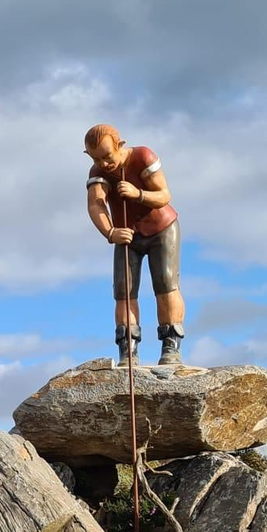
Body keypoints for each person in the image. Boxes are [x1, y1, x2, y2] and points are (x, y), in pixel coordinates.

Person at [83, 123, 185, 366]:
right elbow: (96, 204)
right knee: (124, 292)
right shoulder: (97, 172)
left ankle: (170, 343)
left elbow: (164, 195)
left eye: (107, 156)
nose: (104, 163)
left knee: (165, 283)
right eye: (96, 159)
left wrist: (138, 194)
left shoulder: (143, 156)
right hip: (126, 236)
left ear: (119, 145)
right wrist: (110, 232)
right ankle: (128, 347)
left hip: (161, 229)